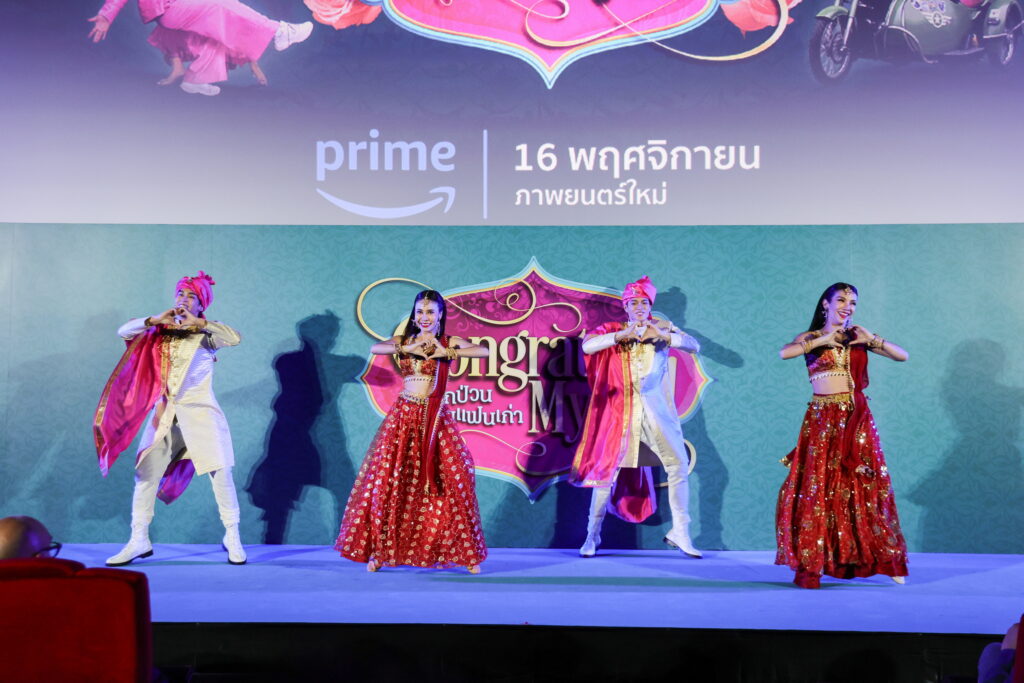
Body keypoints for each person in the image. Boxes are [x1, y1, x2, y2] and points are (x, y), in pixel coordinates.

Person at [94, 271, 247, 565]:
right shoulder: (157, 332)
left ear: (201, 304)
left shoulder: (207, 335)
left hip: (201, 414)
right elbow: (124, 332)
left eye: (191, 296)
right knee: (145, 474)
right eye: (180, 294)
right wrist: (154, 320)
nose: (184, 300)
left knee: (221, 473)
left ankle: (232, 535)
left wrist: (199, 323)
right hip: (164, 415)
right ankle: (139, 539)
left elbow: (235, 338)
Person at [335, 290, 488, 573]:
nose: (424, 317)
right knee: (390, 480)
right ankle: (381, 551)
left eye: (430, 312)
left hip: (435, 418)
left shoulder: (447, 341)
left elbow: (483, 351)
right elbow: (376, 348)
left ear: (440, 315)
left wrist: (446, 352)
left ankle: (464, 554)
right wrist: (410, 347)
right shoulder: (404, 342)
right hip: (404, 417)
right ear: (414, 315)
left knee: (452, 478)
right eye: (420, 312)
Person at [775, 282, 909, 589]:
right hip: (822, 420)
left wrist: (872, 339)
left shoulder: (857, 338)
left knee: (862, 487)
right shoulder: (810, 338)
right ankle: (813, 564)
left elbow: (902, 356)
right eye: (841, 300)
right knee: (819, 489)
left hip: (855, 420)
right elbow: (784, 353)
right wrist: (824, 339)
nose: (847, 307)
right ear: (826, 303)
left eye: (853, 302)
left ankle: (885, 560)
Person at [569, 276, 702, 559]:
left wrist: (667, 337)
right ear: (625, 307)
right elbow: (587, 347)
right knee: (606, 474)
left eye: (643, 302)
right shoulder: (612, 329)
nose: (639, 307)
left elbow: (694, 346)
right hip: (620, 413)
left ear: (650, 305)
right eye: (633, 303)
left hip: (657, 413)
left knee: (677, 466)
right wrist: (620, 336)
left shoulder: (662, 327)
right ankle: (592, 535)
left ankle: (681, 532)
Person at [87, 0, 313, 96]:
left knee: (216, 34)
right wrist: (106, 16)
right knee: (221, 5)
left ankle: (195, 80)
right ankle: (279, 31)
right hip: (169, 9)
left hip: (183, 5)